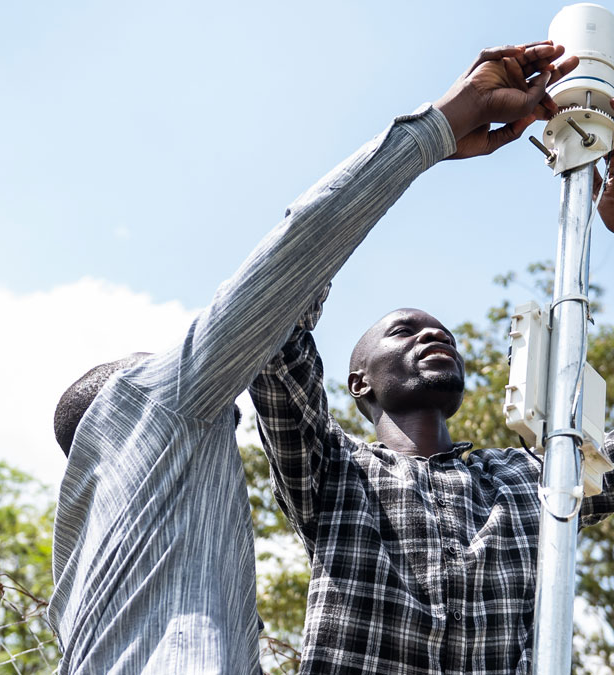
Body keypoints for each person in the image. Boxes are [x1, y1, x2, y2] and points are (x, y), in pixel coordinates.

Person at [47, 42, 580, 674]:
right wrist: (440, 125)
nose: (230, 403)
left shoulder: (94, 574)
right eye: (403, 330)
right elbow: (289, 269)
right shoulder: (163, 395)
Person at [249, 99, 614, 673]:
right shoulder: (330, 470)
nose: (434, 337)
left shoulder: (536, 480)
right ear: (359, 381)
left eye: (444, 334)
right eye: (404, 331)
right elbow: (275, 303)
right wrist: (427, 142)